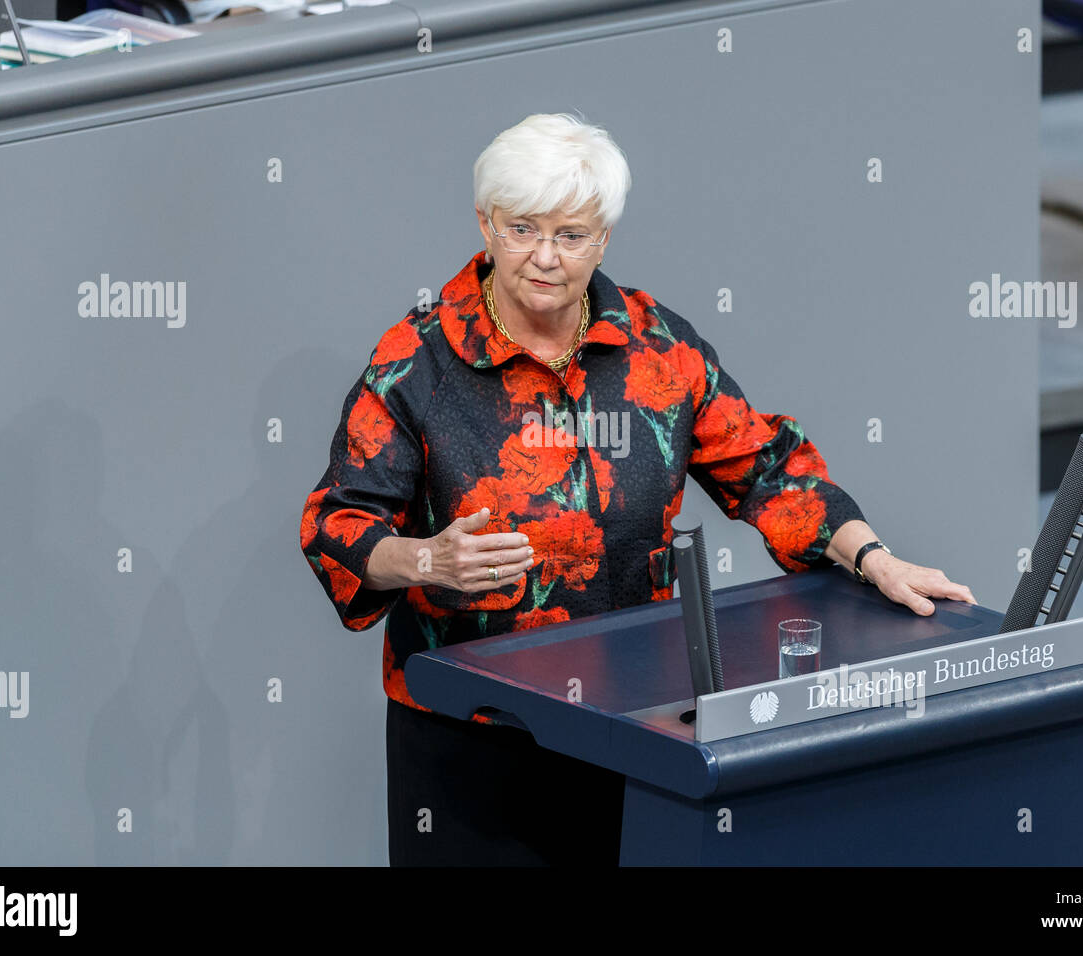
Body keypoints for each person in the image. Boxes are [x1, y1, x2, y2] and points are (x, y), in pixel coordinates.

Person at [300, 112, 977, 867]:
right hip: (474, 736)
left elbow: (770, 471)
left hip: (639, 718)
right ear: (485, 223)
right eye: (522, 229)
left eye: (571, 235)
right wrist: (427, 560)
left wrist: (872, 556)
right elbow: (339, 523)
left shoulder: (659, 344)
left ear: (605, 238)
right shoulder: (416, 359)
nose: (546, 258)